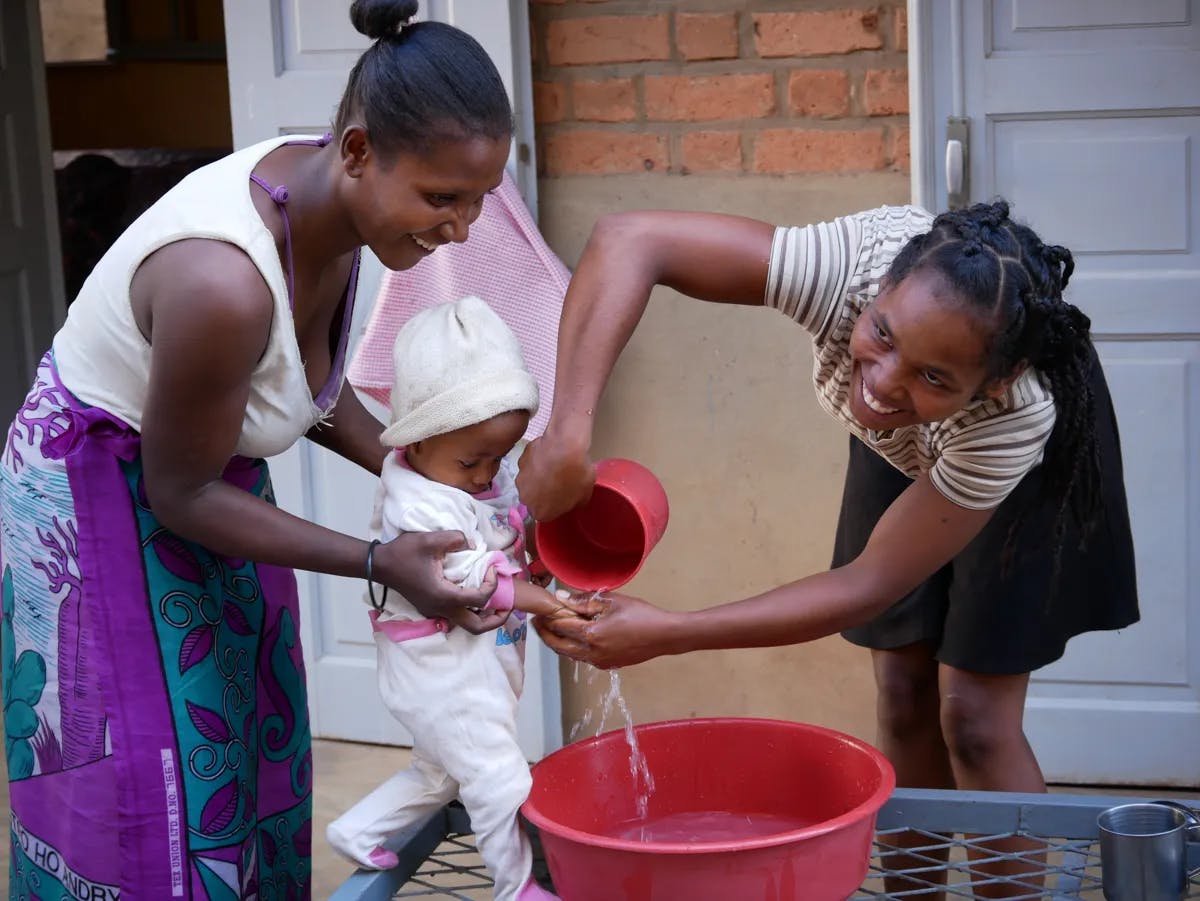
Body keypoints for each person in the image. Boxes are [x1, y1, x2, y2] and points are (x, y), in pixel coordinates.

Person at [0, 1, 516, 897]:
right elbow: (181, 493)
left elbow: (299, 389)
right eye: (443, 198)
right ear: (356, 150)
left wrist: (452, 481)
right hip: (100, 497)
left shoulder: (340, 213)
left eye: (477, 200)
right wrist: (381, 557)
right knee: (150, 772)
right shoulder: (223, 283)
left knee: (245, 724)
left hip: (204, 470)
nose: (461, 228)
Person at [519, 200, 1138, 898]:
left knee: (974, 720)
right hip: (914, 434)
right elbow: (632, 236)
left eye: (932, 372)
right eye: (883, 333)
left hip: (1016, 471)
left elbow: (868, 582)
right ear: (877, 295)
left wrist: (672, 632)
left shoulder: (1010, 414)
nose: (881, 381)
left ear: (990, 381)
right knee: (902, 693)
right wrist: (565, 437)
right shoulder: (851, 269)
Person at [326, 296, 566, 900]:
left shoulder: (466, 470)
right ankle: (515, 887)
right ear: (417, 439)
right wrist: (556, 605)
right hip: (437, 670)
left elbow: (509, 530)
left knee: (438, 772)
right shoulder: (419, 505)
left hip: (470, 664)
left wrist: (537, 545)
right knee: (500, 777)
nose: (488, 475)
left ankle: (356, 830)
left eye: (499, 456)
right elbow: (485, 584)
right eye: (471, 461)